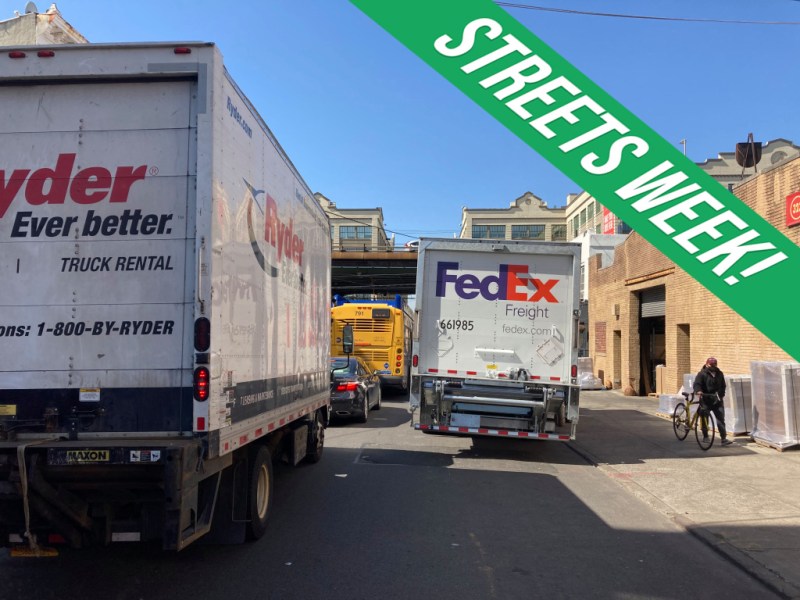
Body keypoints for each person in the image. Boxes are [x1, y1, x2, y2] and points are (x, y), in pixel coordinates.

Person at [693, 357, 732, 446]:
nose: (713, 366)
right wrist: (698, 391)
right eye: (711, 364)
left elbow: (723, 386)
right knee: (704, 417)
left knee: (721, 419)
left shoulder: (720, 374)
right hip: (706, 399)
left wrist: (721, 395)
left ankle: (723, 439)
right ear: (707, 364)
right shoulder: (702, 374)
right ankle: (705, 436)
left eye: (715, 364)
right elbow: (697, 384)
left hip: (717, 400)